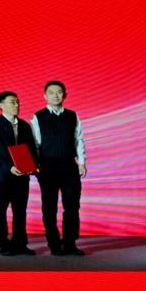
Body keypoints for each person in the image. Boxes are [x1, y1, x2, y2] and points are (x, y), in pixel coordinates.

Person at [31, 80, 87, 256]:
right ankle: (54, 243)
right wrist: (36, 166)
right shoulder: (37, 117)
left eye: (59, 92)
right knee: (49, 207)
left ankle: (70, 243)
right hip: (47, 168)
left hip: (70, 167)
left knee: (72, 206)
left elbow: (78, 140)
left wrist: (82, 162)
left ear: (65, 95)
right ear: (45, 96)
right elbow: (35, 144)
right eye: (51, 92)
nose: (55, 95)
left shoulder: (72, 116)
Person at [0, 91, 38, 256]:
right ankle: (3, 243)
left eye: (17, 102)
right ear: (1, 105)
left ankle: (20, 243)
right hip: (2, 176)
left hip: (22, 176)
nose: (16, 105)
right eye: (12, 102)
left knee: (20, 211)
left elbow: (31, 149)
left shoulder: (24, 126)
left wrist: (33, 166)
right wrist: (8, 167)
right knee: (0, 210)